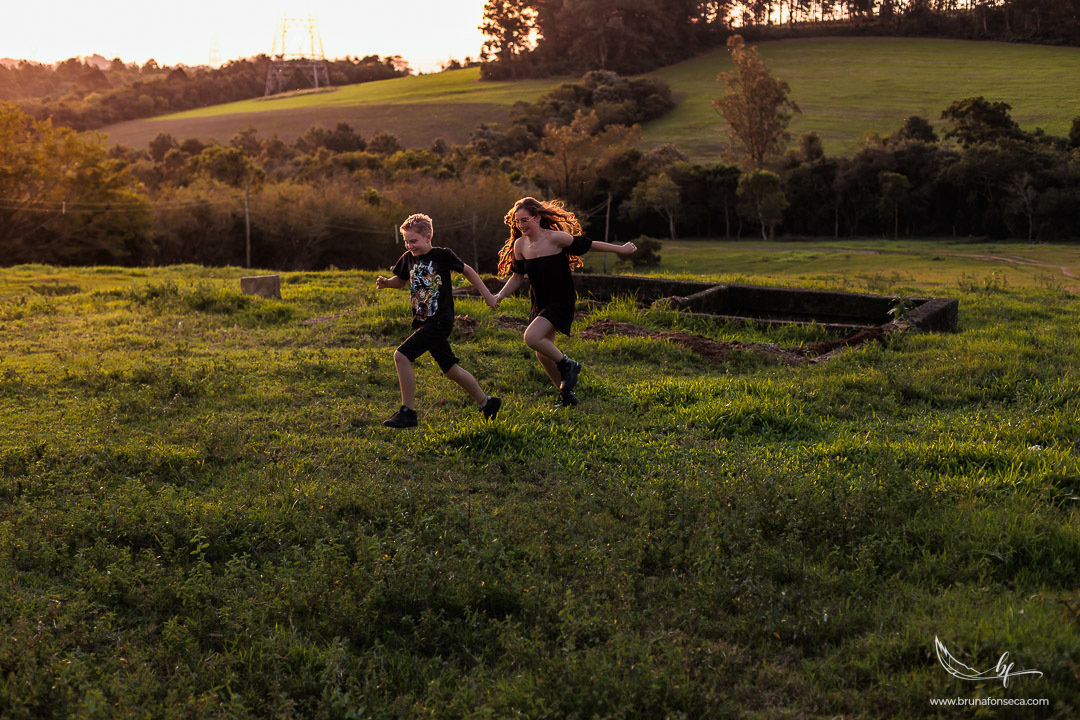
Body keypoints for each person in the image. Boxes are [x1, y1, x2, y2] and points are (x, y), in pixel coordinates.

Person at [492, 197, 636, 406]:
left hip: (560, 300)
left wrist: (620, 249)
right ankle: (567, 396)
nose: (520, 225)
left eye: (525, 220)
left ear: (538, 217)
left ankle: (568, 364)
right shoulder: (520, 245)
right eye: (517, 221)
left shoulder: (556, 238)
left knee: (531, 337)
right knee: (542, 353)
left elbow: (589, 245)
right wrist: (499, 296)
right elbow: (517, 277)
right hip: (540, 302)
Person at [376, 213, 501, 428]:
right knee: (451, 369)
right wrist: (388, 283)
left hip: (440, 321)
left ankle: (408, 412)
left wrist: (488, 295)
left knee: (401, 355)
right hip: (424, 322)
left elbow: (468, 271)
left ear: (428, 236)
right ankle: (486, 402)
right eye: (406, 241)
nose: (409, 245)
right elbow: (402, 279)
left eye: (413, 241)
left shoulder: (442, 255)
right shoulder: (408, 257)